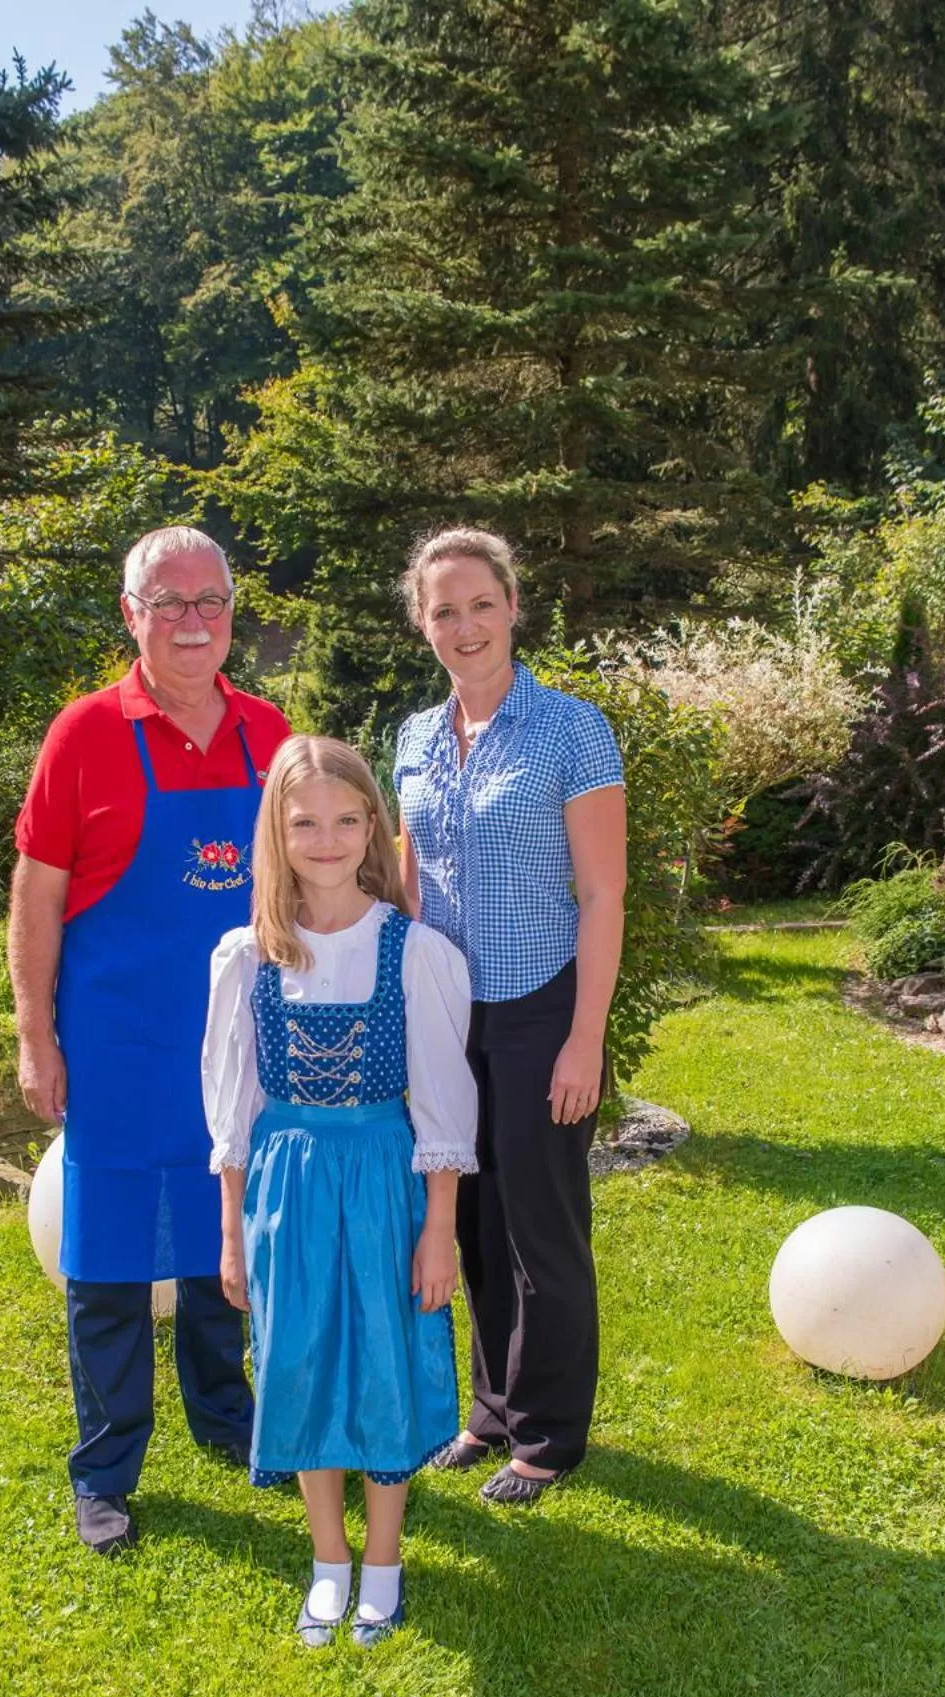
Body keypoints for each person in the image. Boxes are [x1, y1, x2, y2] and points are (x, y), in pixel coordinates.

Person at [9, 525, 290, 1555]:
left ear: (232, 613)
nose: (192, 621)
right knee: (109, 1266)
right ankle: (106, 1468)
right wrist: (35, 1034)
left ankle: (227, 1416)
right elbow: (36, 896)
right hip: (119, 1048)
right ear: (132, 614)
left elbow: (310, 876)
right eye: (168, 602)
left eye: (210, 600)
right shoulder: (84, 733)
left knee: (229, 1244)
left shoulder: (269, 733)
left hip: (239, 1050)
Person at [203, 736, 477, 1645]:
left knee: (383, 1359)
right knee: (300, 1360)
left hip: (382, 1181)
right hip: (285, 1186)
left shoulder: (413, 950)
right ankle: (328, 1561)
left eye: (345, 820)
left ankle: (383, 1563)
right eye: (304, 823)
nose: (326, 840)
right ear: (276, 836)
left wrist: (438, 1230)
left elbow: (441, 1103)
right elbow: (234, 1111)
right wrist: (232, 1233)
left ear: (373, 829)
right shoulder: (247, 956)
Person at [393, 526, 626, 1505]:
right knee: (476, 1221)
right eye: (444, 609)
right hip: (449, 1016)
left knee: (541, 1227)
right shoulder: (412, 738)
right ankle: (491, 1411)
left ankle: (550, 1433)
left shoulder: (572, 730)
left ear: (513, 607)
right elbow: (409, 885)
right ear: (422, 623)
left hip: (540, 1007)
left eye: (481, 604)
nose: (466, 625)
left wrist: (584, 1038)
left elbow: (603, 895)